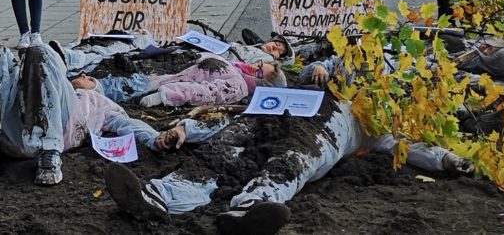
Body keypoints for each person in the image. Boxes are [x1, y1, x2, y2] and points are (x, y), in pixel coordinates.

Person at [102, 95, 470, 234]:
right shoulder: (324, 81)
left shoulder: (375, 127)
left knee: (288, 165)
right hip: (268, 116)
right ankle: (159, 196)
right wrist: (189, 128)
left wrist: (448, 159)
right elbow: (239, 112)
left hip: (318, 136)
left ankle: (249, 210)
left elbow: (408, 147)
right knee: (221, 153)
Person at [0, 41, 193, 186]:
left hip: (49, 136)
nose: (83, 77)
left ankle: (49, 153)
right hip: (13, 130)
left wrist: (154, 139)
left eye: (87, 77)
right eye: (80, 75)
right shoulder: (35, 83)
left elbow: (128, 124)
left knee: (39, 52)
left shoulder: (97, 103)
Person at [91, 54, 286, 107]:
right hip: (166, 70)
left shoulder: (237, 86)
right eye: (260, 64)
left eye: (259, 73)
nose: (254, 67)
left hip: (162, 84)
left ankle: (90, 89)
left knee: (121, 87)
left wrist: (166, 95)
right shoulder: (236, 67)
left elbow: (204, 92)